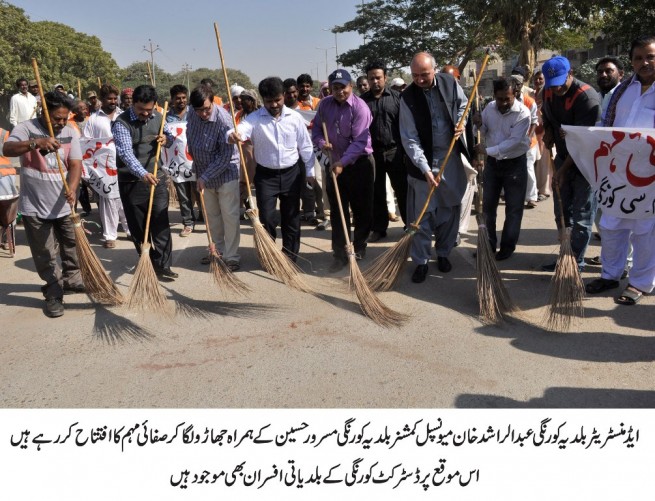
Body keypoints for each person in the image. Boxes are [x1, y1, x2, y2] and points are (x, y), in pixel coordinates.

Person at [585, 35, 655, 305]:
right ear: (632, 61)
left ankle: (640, 283)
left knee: (645, 230)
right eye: (639, 58)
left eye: (650, 56)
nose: (645, 62)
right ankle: (611, 274)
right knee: (611, 225)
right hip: (618, 172)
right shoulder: (622, 91)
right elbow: (606, 125)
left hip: (648, 177)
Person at [3, 91, 84, 317]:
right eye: (56, 118)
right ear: (43, 111)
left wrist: (73, 188)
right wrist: (35, 143)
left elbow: (75, 164)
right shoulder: (26, 128)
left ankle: (72, 280)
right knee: (45, 253)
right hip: (35, 206)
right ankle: (53, 292)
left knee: (71, 245)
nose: (60, 123)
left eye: (64, 118)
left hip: (63, 204)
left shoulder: (69, 131)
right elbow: (7, 149)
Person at [399, 52, 470, 283]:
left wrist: (461, 122)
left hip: (449, 158)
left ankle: (443, 253)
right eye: (415, 75)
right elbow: (410, 139)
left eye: (425, 75)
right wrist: (425, 169)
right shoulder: (407, 97)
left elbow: (463, 106)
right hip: (422, 164)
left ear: (435, 69)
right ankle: (420, 261)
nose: (419, 79)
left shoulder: (450, 83)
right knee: (422, 214)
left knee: (449, 210)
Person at [228, 77, 315, 263]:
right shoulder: (254, 119)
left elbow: (306, 146)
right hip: (266, 176)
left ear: (283, 96)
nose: (274, 104)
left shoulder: (295, 118)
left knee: (291, 217)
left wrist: (309, 172)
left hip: (292, 173)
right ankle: (269, 254)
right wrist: (233, 135)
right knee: (267, 218)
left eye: (277, 100)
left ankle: (290, 255)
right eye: (269, 101)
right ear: (263, 100)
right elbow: (240, 130)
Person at [541, 55, 601, 271]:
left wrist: (563, 171)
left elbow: (583, 142)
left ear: (570, 74)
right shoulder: (547, 91)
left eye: (559, 84)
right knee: (561, 209)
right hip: (562, 157)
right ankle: (564, 255)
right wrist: (547, 131)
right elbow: (546, 116)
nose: (555, 90)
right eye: (552, 85)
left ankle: (576, 262)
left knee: (582, 213)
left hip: (585, 161)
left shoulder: (587, 98)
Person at [112, 85, 178, 280]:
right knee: (139, 227)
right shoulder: (121, 123)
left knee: (160, 222)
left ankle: (163, 264)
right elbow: (125, 153)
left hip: (157, 178)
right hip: (132, 181)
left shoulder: (159, 116)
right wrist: (142, 174)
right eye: (142, 110)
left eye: (149, 110)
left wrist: (166, 139)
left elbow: (171, 138)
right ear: (133, 104)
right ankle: (146, 262)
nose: (146, 114)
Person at [312, 69, 374, 272]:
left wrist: (342, 163)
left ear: (351, 86)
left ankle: (359, 246)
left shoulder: (360, 108)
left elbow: (359, 142)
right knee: (339, 211)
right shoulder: (324, 105)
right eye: (335, 88)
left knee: (361, 209)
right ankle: (340, 253)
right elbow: (317, 131)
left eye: (343, 87)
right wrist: (322, 143)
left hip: (359, 164)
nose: (339, 92)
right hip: (334, 163)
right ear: (330, 88)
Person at [474, 77, 531, 260]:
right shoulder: (489, 108)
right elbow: (483, 131)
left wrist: (487, 150)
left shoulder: (523, 114)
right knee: (488, 208)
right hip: (493, 164)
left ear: (514, 94)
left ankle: (507, 248)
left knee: (513, 209)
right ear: (494, 96)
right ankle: (488, 245)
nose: (504, 103)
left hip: (515, 164)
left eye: (507, 98)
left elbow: (513, 143)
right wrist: (478, 124)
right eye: (500, 99)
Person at [187, 84, 241, 270]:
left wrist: (206, 176)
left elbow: (225, 156)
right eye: (199, 110)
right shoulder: (192, 114)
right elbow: (190, 138)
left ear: (213, 101)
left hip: (226, 174)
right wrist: (199, 173)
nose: (203, 113)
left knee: (229, 216)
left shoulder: (224, 120)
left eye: (207, 109)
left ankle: (232, 256)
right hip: (203, 174)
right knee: (212, 217)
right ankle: (216, 251)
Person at [360, 60, 407, 242]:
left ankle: (409, 225)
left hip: (395, 152)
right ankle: (379, 228)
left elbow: (405, 127)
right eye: (371, 78)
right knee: (376, 192)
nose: (375, 82)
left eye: (378, 78)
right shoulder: (362, 102)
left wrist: (405, 154)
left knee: (402, 191)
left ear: (385, 78)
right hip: (372, 154)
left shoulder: (397, 98)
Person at [85, 84, 130, 248]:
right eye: (109, 98)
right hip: (103, 167)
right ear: (101, 100)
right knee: (108, 199)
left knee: (125, 198)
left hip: (124, 163)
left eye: (114, 98)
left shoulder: (125, 115)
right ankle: (109, 235)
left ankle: (130, 230)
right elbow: (87, 143)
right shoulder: (94, 119)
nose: (112, 101)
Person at [166, 84, 196, 237]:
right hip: (177, 163)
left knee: (200, 193)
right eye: (178, 98)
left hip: (195, 161)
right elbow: (167, 141)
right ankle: (188, 223)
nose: (181, 101)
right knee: (183, 196)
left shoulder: (194, 113)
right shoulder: (167, 118)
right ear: (172, 99)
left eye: (184, 98)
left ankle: (206, 219)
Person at [235, 89, 259, 214]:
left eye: (245, 99)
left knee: (258, 180)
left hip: (257, 150)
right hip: (243, 151)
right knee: (243, 181)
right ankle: (241, 208)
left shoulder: (260, 114)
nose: (241, 102)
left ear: (252, 101)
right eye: (240, 99)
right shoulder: (238, 115)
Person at [532, 69, 552, 201]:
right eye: (536, 79)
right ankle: (537, 189)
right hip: (535, 132)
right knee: (536, 163)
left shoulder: (549, 93)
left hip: (546, 131)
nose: (538, 81)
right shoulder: (533, 94)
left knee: (545, 163)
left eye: (541, 79)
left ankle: (544, 191)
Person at [596, 56, 625, 124]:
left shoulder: (627, 96)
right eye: (600, 72)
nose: (603, 75)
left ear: (620, 74)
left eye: (608, 71)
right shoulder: (594, 98)